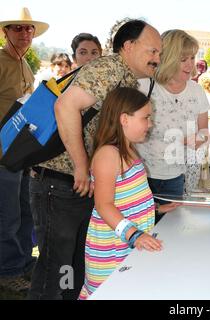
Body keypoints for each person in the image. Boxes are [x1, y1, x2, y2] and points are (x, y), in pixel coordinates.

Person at [27, 19, 161, 300]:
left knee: (72, 266)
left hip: (75, 184)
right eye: (153, 51)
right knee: (58, 268)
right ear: (129, 46)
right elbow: (65, 106)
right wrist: (80, 165)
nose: (157, 59)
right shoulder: (109, 68)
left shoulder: (125, 77)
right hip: (61, 181)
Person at [78, 87, 179, 299]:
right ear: (124, 119)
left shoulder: (129, 150)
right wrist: (135, 235)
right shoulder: (108, 154)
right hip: (112, 249)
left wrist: (157, 207)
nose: (150, 124)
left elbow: (128, 196)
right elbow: (104, 205)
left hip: (130, 243)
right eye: (146, 118)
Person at [0, 7, 49, 293]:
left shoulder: (25, 64)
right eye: (17, 28)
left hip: (19, 152)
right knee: (7, 215)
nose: (24, 33)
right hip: (3, 155)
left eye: (28, 29)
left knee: (23, 211)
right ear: (5, 32)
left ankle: (19, 262)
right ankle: (7, 271)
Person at [137, 29, 209, 221]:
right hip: (140, 178)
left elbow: (204, 130)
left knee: (169, 233)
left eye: (192, 58)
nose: (190, 64)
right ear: (168, 58)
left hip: (176, 177)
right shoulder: (144, 87)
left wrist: (199, 139)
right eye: (183, 58)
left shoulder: (197, 91)